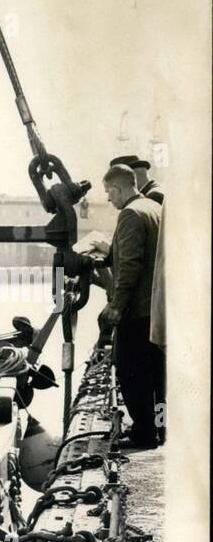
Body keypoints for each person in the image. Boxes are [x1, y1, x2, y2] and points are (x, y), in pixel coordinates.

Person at [98, 163, 163, 449]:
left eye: (108, 193)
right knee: (157, 374)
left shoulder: (130, 214)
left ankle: (143, 433)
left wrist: (116, 305)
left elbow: (129, 265)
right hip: (156, 308)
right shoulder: (154, 208)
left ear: (118, 188)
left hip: (136, 311)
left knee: (130, 372)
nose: (108, 199)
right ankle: (159, 429)